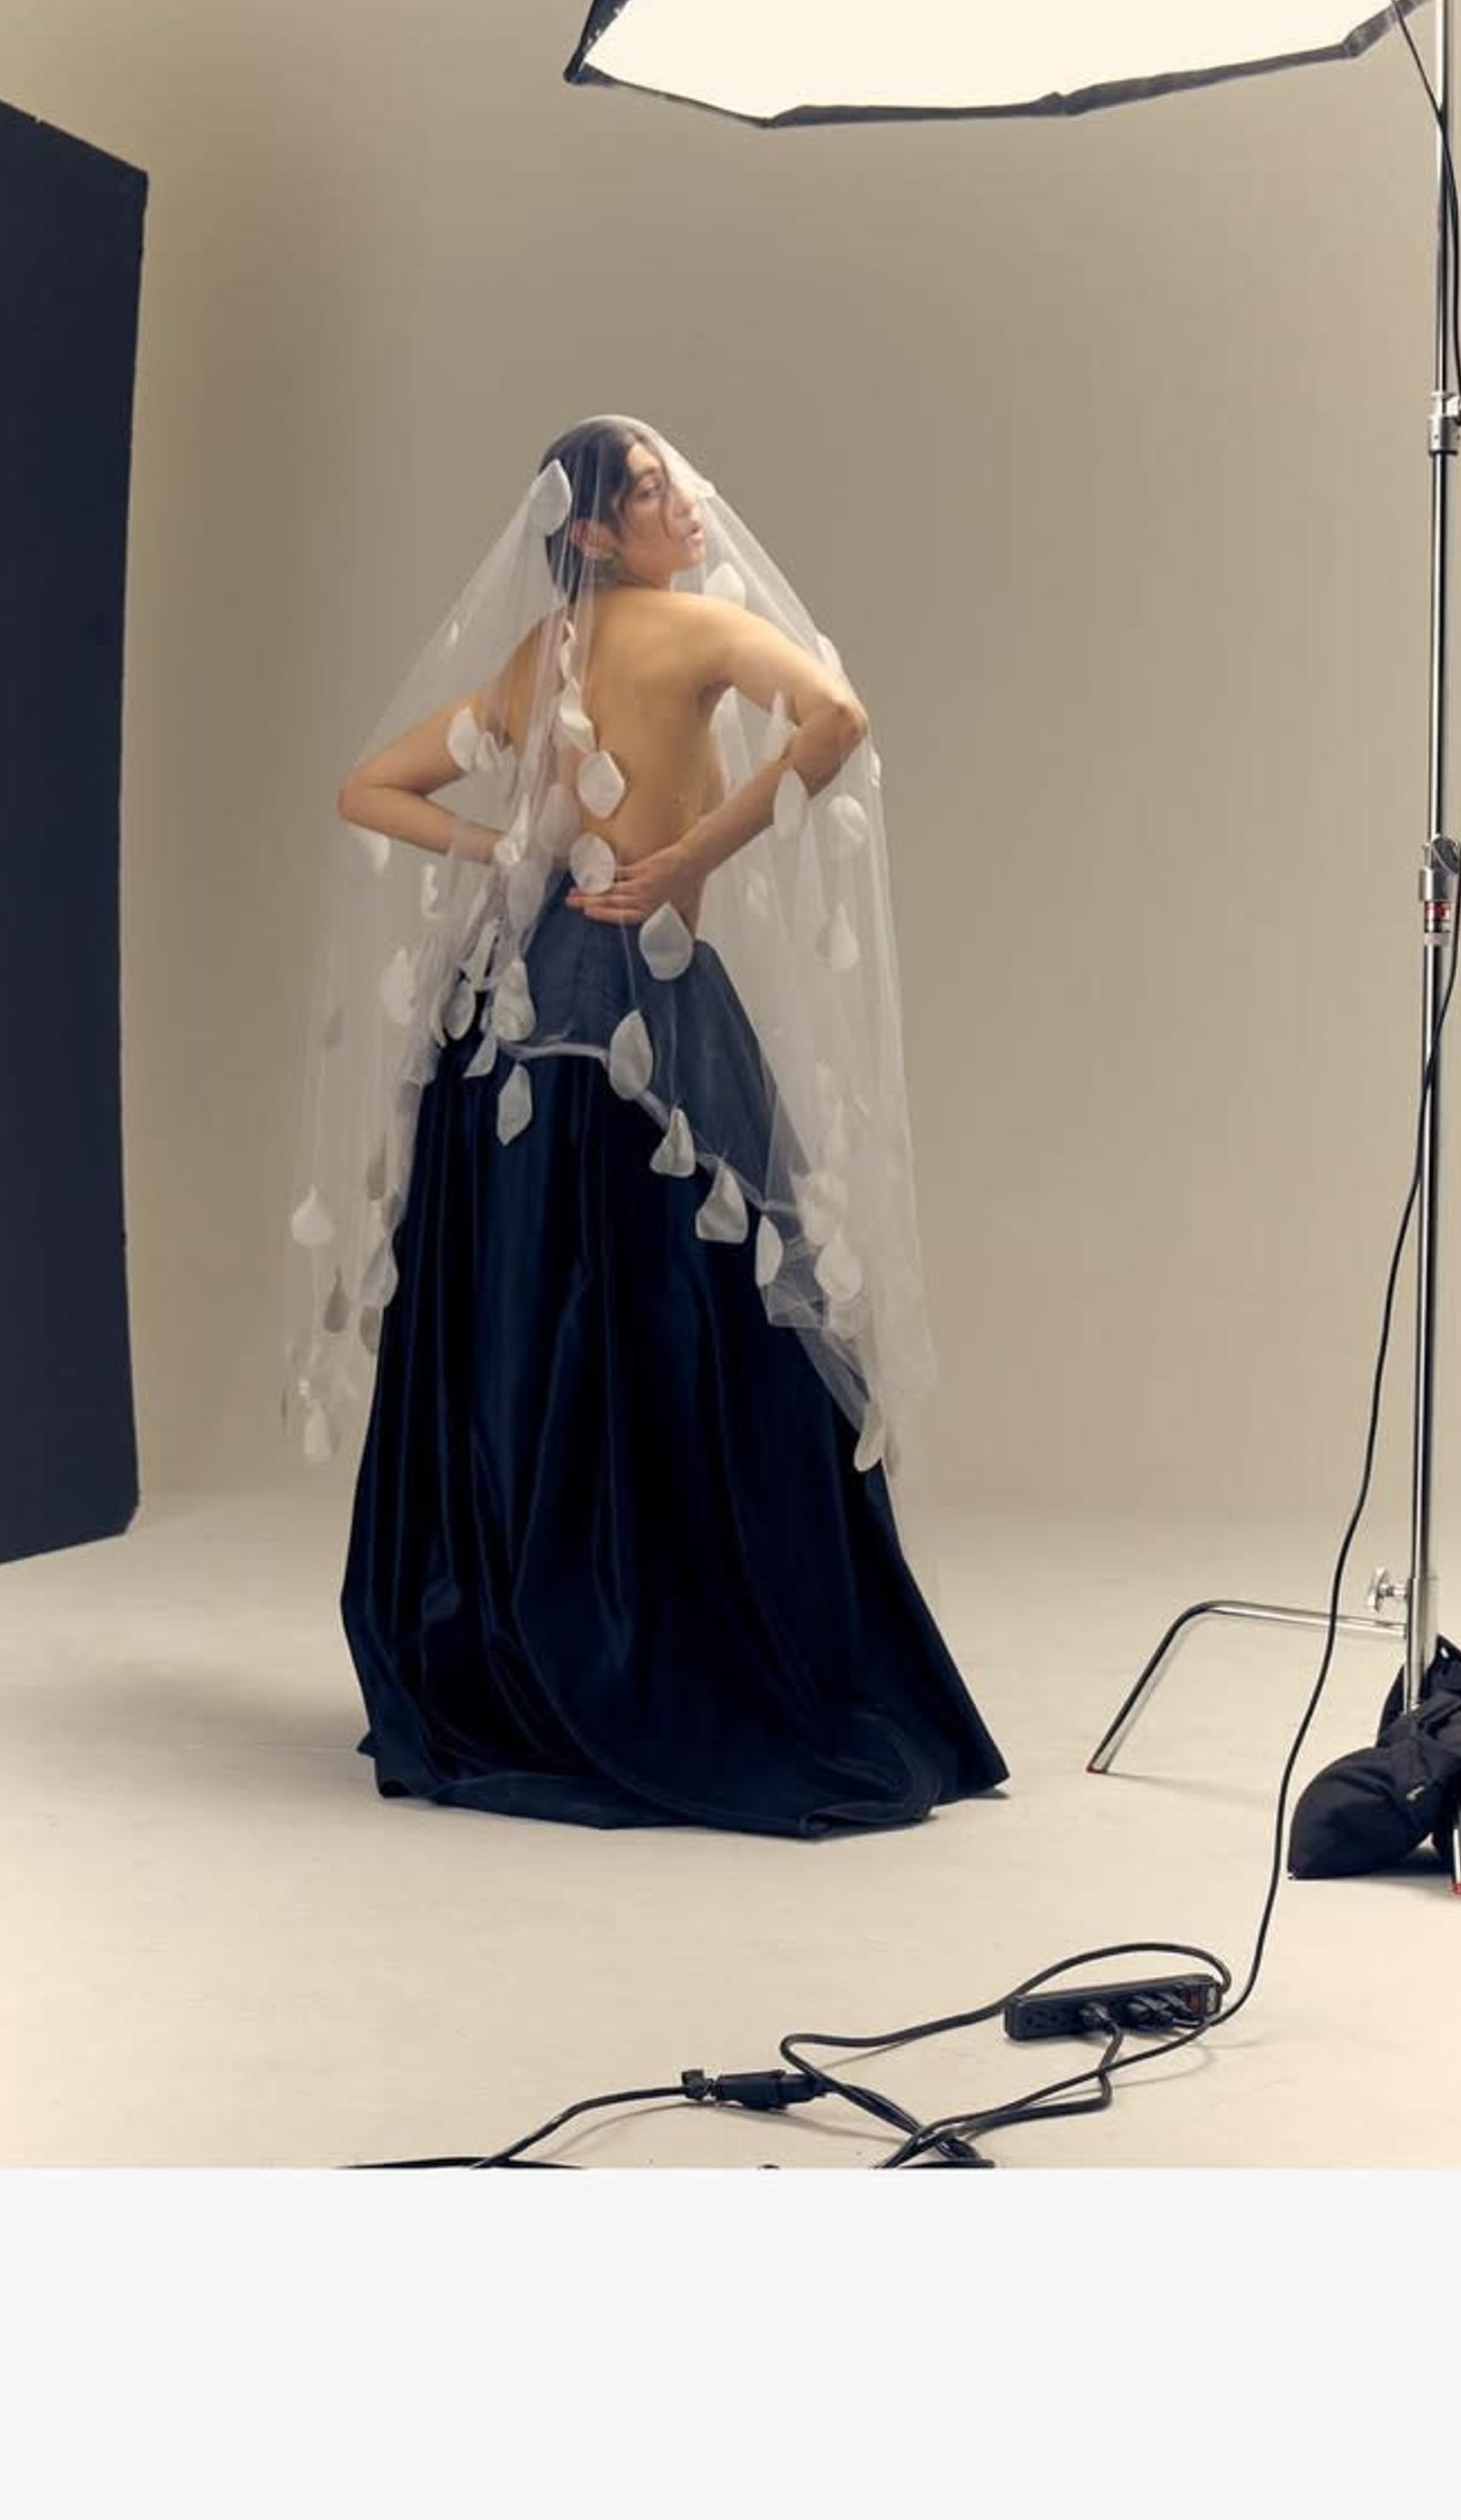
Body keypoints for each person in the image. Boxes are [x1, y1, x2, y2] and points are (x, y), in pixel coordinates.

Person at [283, 416, 1007, 1835]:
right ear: (601, 528)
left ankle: (545, 1635)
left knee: (536, 1324)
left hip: (512, 1019)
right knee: (687, 1325)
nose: (690, 505)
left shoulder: (538, 659)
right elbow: (840, 721)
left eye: (680, 483)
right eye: (657, 491)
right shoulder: (685, 629)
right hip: (640, 1012)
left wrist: (516, 857)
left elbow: (367, 784)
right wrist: (686, 857)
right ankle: (664, 1639)